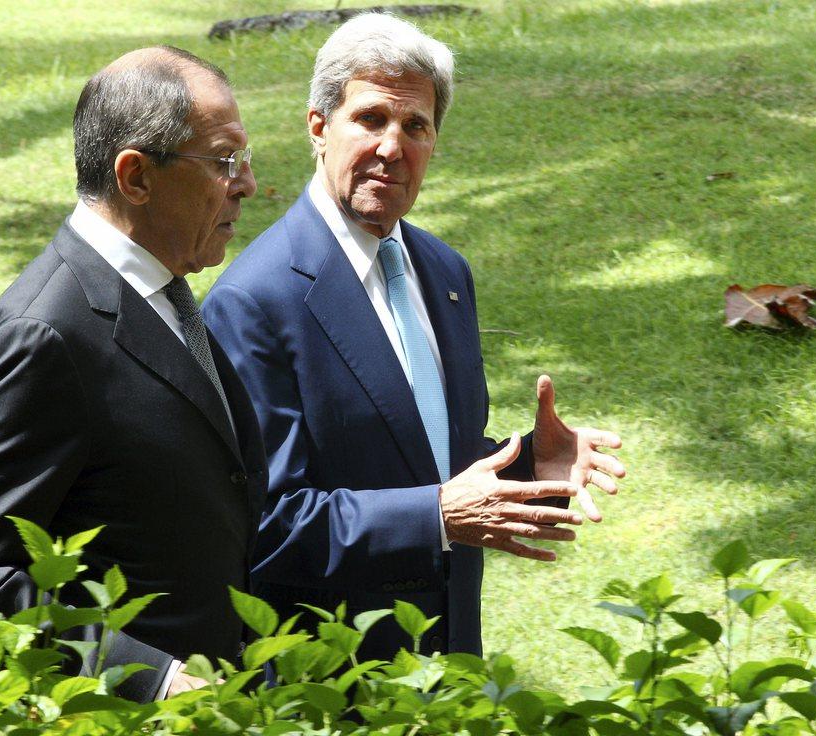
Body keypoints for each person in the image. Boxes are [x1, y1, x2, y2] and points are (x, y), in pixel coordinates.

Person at [201, 14, 625, 660]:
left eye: (416, 127)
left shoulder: (444, 272)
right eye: (371, 119)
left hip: (448, 664)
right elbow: (267, 526)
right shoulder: (254, 302)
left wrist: (531, 466)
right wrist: (436, 518)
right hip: (330, 684)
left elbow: (424, 461)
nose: (392, 148)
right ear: (318, 126)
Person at [0, 46, 263, 702]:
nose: (246, 184)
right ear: (135, 177)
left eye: (243, 161)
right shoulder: (46, 332)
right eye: (224, 162)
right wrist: (153, 679)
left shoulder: (163, 290)